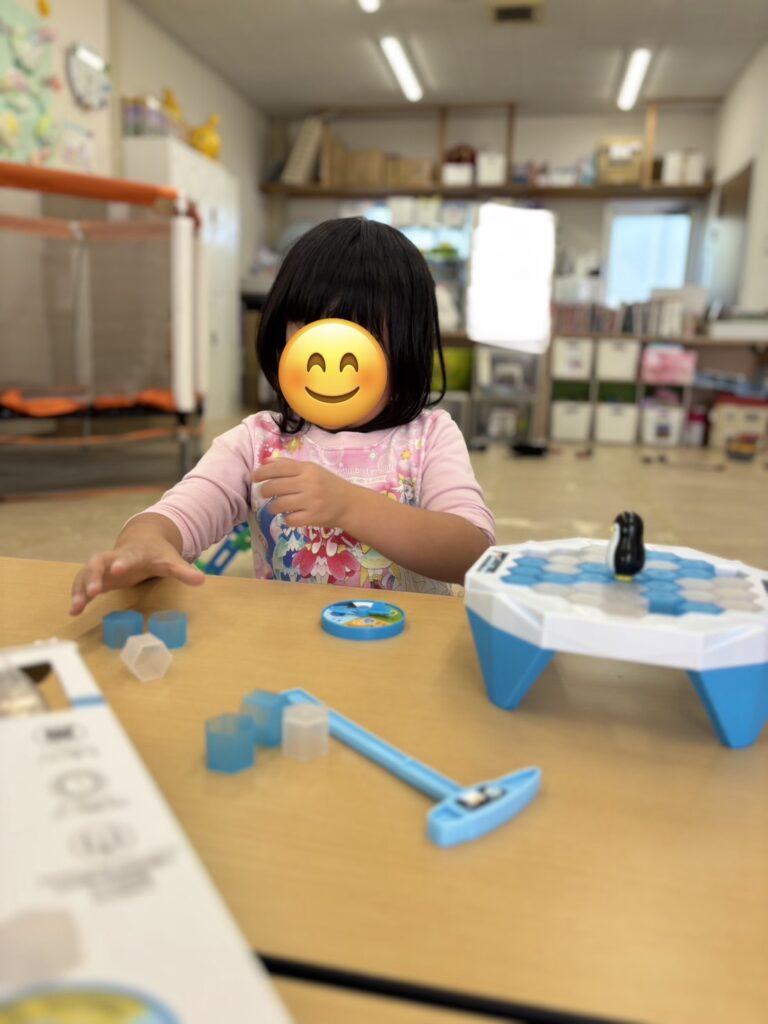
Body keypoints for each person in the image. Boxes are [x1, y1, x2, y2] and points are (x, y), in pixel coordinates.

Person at [70, 218, 494, 615]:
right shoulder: (257, 441)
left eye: (358, 334)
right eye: (310, 329)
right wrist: (143, 544)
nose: (329, 359)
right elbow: (178, 514)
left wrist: (350, 506)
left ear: (406, 343)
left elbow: (472, 554)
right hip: (288, 642)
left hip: (408, 645)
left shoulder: (428, 436)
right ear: (282, 337)